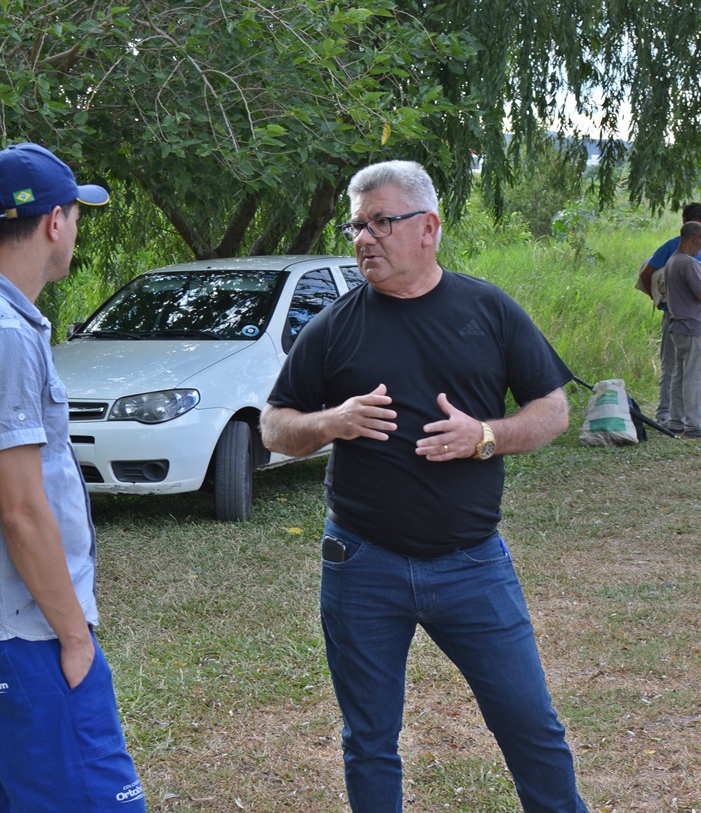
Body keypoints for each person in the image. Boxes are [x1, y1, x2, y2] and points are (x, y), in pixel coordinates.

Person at [260, 160, 589, 813]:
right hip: (362, 565)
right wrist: (334, 421)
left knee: (531, 725)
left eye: (381, 222)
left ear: (429, 228)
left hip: (472, 564)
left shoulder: (487, 310)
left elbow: (552, 410)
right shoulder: (334, 325)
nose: (363, 239)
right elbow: (275, 427)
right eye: (356, 225)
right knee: (370, 740)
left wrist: (485, 436)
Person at [0, 143, 145, 811]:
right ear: (52, 223)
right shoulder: (1, 333)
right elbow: (21, 508)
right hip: (24, 629)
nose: (74, 228)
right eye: (75, 214)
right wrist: (76, 637)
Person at [637, 202, 701, 427]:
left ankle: (687, 413)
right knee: (673, 366)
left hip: (697, 317)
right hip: (677, 316)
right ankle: (666, 413)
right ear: (686, 227)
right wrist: (661, 302)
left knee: (691, 369)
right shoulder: (673, 248)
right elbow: (647, 273)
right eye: (697, 228)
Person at [664, 221, 701, 438]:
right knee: (697, 376)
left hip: (680, 326)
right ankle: (695, 425)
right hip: (693, 327)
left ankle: (677, 420)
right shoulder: (689, 263)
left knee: (680, 376)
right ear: (695, 238)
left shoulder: (673, 261)